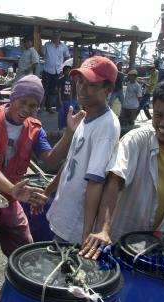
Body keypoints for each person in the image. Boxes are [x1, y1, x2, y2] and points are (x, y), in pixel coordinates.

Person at [81, 78, 164, 260]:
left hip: (161, 238)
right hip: (123, 236)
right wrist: (103, 230)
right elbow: (114, 181)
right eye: (158, 115)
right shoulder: (136, 140)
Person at [0, 75, 85, 256]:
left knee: (24, 249)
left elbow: (50, 160)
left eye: (33, 105)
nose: (26, 109)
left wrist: (69, 134)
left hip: (10, 197)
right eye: (22, 102)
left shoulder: (35, 129)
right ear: (13, 98)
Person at [46, 56, 121, 255]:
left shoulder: (106, 127)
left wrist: (86, 234)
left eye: (91, 85)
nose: (82, 89)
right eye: (80, 82)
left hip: (75, 227)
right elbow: (71, 162)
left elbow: (95, 183)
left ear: (108, 89)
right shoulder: (86, 117)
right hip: (63, 213)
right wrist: (48, 191)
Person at [41, 30, 70, 113]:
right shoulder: (47, 45)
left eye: (57, 35)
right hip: (47, 71)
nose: (56, 37)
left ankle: (49, 108)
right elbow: (42, 54)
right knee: (44, 90)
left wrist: (60, 65)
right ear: (52, 36)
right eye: (54, 35)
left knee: (53, 91)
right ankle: (41, 107)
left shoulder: (64, 46)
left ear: (60, 36)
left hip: (57, 72)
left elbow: (67, 56)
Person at [57, 64, 77, 130]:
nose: (68, 72)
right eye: (67, 71)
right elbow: (59, 91)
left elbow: (71, 91)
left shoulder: (71, 80)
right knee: (61, 114)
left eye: (69, 71)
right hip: (62, 100)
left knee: (67, 114)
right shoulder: (60, 80)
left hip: (68, 100)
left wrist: (71, 100)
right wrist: (60, 101)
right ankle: (60, 127)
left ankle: (65, 127)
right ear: (63, 71)